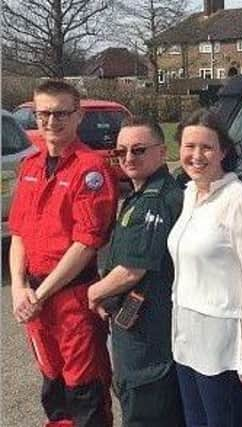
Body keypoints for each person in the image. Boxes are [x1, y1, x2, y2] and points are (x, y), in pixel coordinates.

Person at [8, 80, 118, 427]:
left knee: (84, 394)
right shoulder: (30, 167)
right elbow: (19, 234)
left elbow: (85, 244)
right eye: (43, 114)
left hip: (71, 301)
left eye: (60, 113)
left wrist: (38, 294)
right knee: (53, 391)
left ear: (78, 115)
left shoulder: (91, 170)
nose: (51, 122)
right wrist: (17, 288)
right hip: (36, 302)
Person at [167, 109, 242, 427]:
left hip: (223, 349)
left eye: (206, 147)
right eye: (189, 146)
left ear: (224, 151)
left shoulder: (239, 201)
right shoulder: (189, 195)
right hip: (187, 342)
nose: (196, 155)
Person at [86, 116, 185, 427]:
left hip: (149, 345)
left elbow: (132, 270)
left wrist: (94, 292)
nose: (128, 158)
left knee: (145, 415)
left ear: (161, 151)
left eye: (138, 150)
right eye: (120, 152)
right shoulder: (141, 194)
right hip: (142, 335)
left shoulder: (154, 201)